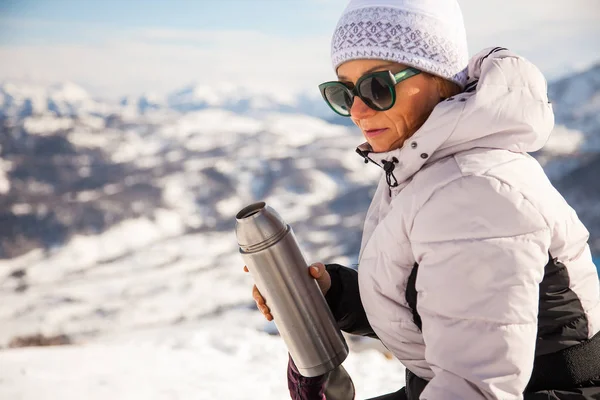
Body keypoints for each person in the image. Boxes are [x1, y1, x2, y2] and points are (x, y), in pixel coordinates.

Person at [246, 0, 600, 398]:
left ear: (438, 78)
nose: (358, 112)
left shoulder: (474, 192)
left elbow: (475, 389)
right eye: (344, 92)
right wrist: (335, 294)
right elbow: (444, 310)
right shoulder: (422, 166)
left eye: (377, 87)